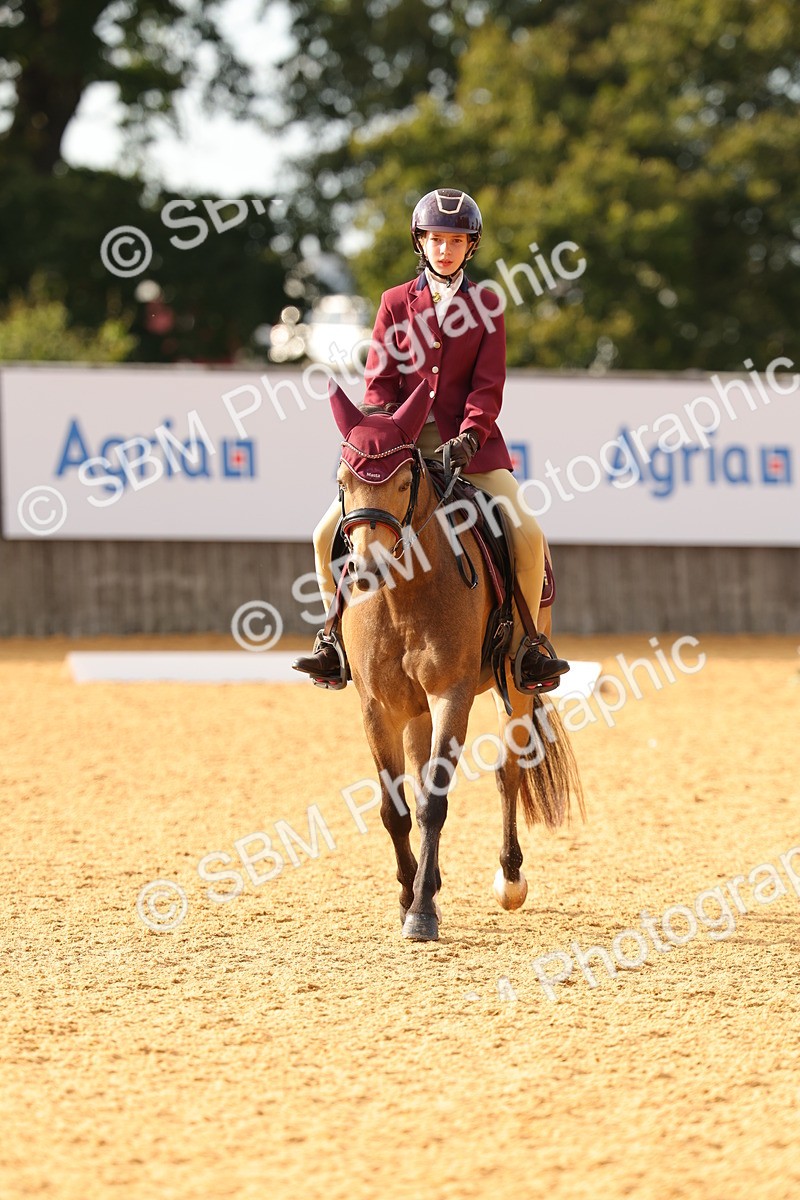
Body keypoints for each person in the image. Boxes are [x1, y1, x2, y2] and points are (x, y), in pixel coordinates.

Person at [293, 186, 569, 689]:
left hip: (473, 451)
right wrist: (380, 430)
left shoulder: (486, 304)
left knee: (529, 537)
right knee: (321, 535)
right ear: (421, 242)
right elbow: (379, 381)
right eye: (436, 239)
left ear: (471, 245)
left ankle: (530, 647)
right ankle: (333, 639)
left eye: (456, 240)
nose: (446, 249)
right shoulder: (395, 302)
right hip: (403, 452)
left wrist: (469, 436)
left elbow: (488, 386)